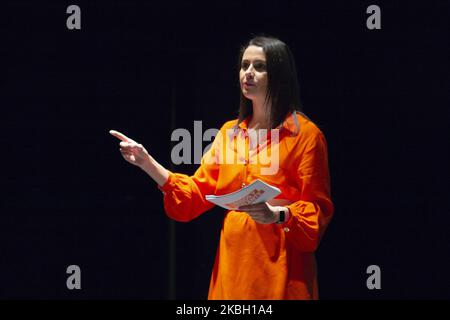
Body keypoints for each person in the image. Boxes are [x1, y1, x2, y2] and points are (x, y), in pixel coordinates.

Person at [110, 36, 334, 300]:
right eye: (244, 65)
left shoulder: (306, 136)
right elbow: (195, 193)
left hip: (281, 271)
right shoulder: (230, 133)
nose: (248, 73)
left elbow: (317, 212)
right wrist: (147, 163)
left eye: (259, 66)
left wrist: (278, 214)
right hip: (234, 265)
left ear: (279, 75)